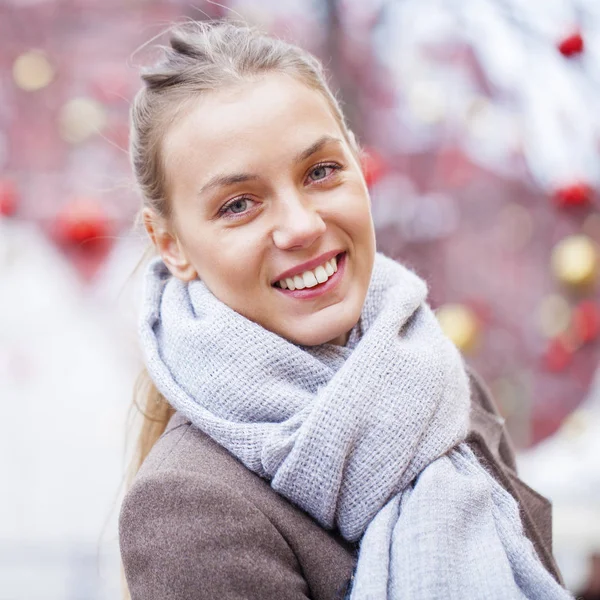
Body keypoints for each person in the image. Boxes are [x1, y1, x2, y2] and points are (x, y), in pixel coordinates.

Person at [119, 20, 571, 600]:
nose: (302, 226)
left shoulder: (446, 384)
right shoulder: (189, 506)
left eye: (321, 172)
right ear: (171, 245)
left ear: (359, 165)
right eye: (239, 205)